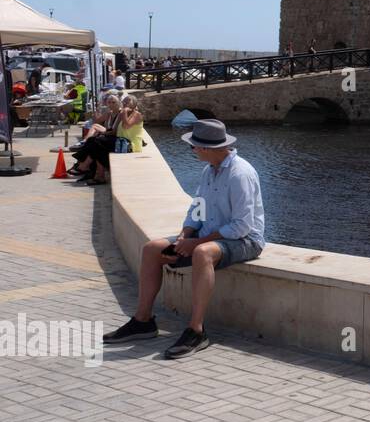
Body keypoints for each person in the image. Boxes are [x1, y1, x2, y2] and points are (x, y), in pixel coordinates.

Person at [104, 119, 265, 359]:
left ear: (208, 148)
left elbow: (242, 226)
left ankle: (197, 330)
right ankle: (143, 321)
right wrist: (184, 235)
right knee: (152, 249)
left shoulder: (240, 174)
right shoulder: (209, 170)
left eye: (194, 147)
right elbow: (197, 208)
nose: (192, 151)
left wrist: (196, 243)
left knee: (202, 253)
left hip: (245, 240)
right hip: (212, 234)